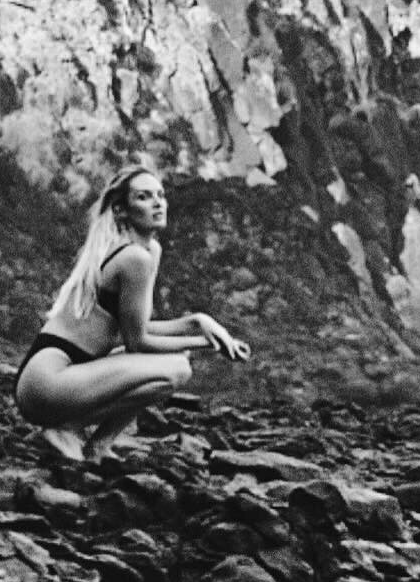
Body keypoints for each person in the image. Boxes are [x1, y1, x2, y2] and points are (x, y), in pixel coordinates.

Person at [14, 164, 249, 460]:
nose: (157, 203)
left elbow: (138, 326)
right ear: (121, 211)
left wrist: (199, 322)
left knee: (176, 357)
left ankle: (98, 445)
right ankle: (67, 429)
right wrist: (208, 344)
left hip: (53, 379)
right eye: (143, 197)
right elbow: (138, 342)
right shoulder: (133, 258)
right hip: (46, 382)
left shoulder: (148, 251)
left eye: (160, 195)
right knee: (178, 367)